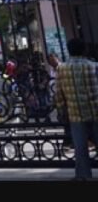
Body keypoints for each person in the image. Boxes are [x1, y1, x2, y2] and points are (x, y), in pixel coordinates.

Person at [54, 38, 98, 180]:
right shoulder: (94, 66)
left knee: (80, 149)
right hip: (95, 111)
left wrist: (61, 112)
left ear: (69, 50)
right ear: (84, 50)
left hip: (75, 114)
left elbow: (59, 95)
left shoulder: (61, 69)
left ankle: (83, 176)